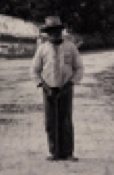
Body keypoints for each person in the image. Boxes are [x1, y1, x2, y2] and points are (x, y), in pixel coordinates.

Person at [31, 16, 85, 161]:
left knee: (65, 120)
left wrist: (71, 83)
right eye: (51, 32)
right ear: (47, 33)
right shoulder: (42, 49)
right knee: (50, 121)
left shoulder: (70, 47)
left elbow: (79, 68)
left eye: (57, 31)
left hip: (65, 88)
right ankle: (54, 152)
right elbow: (34, 70)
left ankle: (68, 153)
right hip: (48, 88)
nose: (54, 34)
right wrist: (43, 85)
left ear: (61, 31)